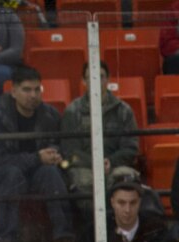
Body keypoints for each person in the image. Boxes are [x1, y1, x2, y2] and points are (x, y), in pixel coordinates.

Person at [0, 67, 77, 242]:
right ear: (14, 91)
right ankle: (6, 241)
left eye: (37, 90)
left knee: (51, 173)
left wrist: (55, 155)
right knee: (11, 173)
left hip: (35, 172)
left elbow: (59, 145)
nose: (33, 95)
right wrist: (37, 158)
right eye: (27, 90)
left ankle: (63, 238)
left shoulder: (50, 115)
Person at [60, 64, 142, 197]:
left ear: (108, 79)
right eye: (90, 78)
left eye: (100, 76)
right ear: (83, 81)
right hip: (84, 167)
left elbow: (131, 148)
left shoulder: (124, 110)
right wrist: (95, 163)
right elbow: (69, 150)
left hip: (116, 165)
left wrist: (110, 161)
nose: (96, 81)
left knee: (127, 180)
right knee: (83, 182)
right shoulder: (72, 111)